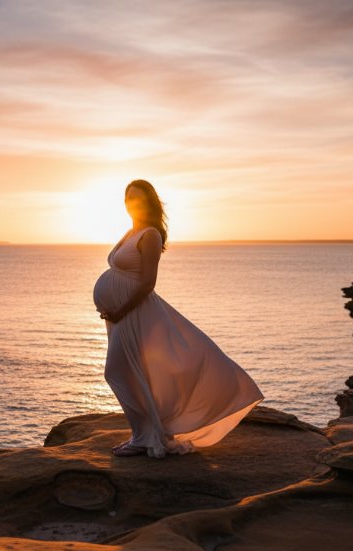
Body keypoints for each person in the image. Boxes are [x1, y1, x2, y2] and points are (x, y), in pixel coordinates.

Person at [92, 179, 265, 458]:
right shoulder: (130, 232)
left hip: (133, 313)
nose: (131, 203)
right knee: (132, 373)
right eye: (128, 198)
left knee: (118, 371)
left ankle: (144, 438)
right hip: (118, 315)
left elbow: (148, 283)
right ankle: (144, 435)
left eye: (137, 198)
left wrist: (121, 310)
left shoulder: (150, 235)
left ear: (149, 202)